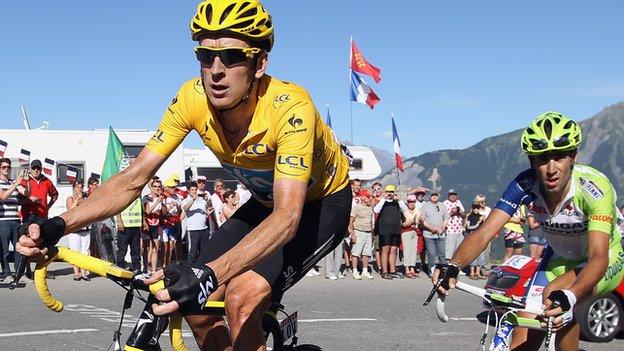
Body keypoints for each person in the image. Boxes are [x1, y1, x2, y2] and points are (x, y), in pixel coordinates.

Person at [17, 2, 352, 349]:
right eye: (206, 57)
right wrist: (58, 225)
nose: (216, 71)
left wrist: (210, 275)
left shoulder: (290, 107)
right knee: (195, 304)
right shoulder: (192, 98)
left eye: (233, 57)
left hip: (319, 205)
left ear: (259, 63)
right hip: (265, 204)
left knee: (240, 299)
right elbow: (133, 179)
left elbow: (287, 216)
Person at [434, 111, 624, 351]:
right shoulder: (524, 184)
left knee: (558, 300)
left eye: (559, 157)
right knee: (523, 335)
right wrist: (453, 265)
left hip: (606, 258)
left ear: (573, 157)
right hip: (558, 257)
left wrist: (572, 296)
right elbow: (485, 232)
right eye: (543, 159)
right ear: (532, 162)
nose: (552, 168)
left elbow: (598, 257)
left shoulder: (594, 188)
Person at [0, 158, 27, 281]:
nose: (6, 169)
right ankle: (7, 273)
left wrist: (28, 181)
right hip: (3, 221)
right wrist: (16, 183)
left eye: (8, 167)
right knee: (5, 249)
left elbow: (26, 192)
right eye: (4, 167)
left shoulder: (13, 181)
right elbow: (3, 197)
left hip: (16, 219)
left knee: (18, 248)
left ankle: (19, 273)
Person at [373, 185, 407, 279]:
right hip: (385, 230)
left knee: (394, 250)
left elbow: (405, 210)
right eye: (388, 192)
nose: (390, 194)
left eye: (392, 192)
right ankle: (384, 271)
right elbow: (376, 210)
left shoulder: (397, 203)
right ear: (385, 192)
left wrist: (399, 200)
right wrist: (384, 199)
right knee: (385, 250)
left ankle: (392, 270)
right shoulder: (382, 202)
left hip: (396, 230)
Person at [66, 181, 91, 281]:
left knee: (85, 252)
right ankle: (77, 273)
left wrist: (82, 199)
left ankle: (84, 273)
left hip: (85, 229)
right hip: (74, 230)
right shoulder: (70, 199)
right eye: (77, 187)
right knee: (75, 251)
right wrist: (77, 200)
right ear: (73, 189)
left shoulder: (85, 199)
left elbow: (89, 209)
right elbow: (70, 211)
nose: (79, 189)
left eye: (81, 187)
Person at [348, 189, 375, 280]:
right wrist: (352, 233)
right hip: (358, 231)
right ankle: (355, 270)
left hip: (368, 232)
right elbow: (351, 220)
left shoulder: (370, 208)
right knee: (356, 252)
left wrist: (372, 233)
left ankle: (365, 270)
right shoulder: (357, 207)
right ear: (362, 197)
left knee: (367, 253)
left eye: (370, 196)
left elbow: (371, 221)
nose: (369, 198)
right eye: (367, 196)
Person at [182, 182, 211, 264]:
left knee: (204, 251)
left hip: (204, 228)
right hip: (193, 230)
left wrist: (207, 213)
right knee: (193, 252)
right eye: (192, 190)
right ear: (188, 191)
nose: (194, 191)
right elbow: (185, 208)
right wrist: (192, 200)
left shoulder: (202, 201)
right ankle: (190, 267)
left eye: (195, 189)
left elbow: (206, 210)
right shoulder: (185, 201)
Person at [421, 192, 449, 275]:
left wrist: (442, 228)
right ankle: (432, 270)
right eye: (433, 195)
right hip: (429, 234)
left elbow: (446, 218)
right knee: (431, 253)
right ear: (430, 197)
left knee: (442, 254)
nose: (434, 197)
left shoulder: (442, 206)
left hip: (441, 234)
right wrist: (432, 228)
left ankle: (443, 270)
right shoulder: (425, 206)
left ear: (438, 196)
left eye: (436, 195)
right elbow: (422, 220)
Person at [115, 196, 143, 273]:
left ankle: (137, 267)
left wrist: (143, 222)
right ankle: (120, 267)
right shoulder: (124, 195)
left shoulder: (138, 196)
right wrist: (119, 221)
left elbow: (141, 210)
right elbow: (118, 209)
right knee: (122, 249)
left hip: (136, 225)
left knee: (136, 249)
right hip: (124, 226)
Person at [142, 178, 165, 274]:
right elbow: (147, 211)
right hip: (147, 224)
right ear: (151, 187)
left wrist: (162, 202)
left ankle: (154, 270)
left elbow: (164, 212)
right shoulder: (147, 197)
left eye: (159, 187)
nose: (157, 188)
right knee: (146, 248)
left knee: (156, 248)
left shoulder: (160, 198)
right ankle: (145, 267)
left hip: (156, 225)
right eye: (155, 186)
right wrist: (157, 202)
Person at [162, 177, 183, 267]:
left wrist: (178, 208)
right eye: (172, 187)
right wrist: (170, 207)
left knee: (172, 246)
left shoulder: (177, 197)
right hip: (165, 224)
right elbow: (163, 213)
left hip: (175, 222)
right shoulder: (163, 197)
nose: (174, 189)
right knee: (165, 247)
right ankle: (164, 264)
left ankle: (169, 265)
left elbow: (180, 211)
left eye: (175, 187)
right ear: (166, 188)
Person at [464, 203, 486, 279]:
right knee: (473, 255)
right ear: (472, 209)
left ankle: (478, 272)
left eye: (477, 208)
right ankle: (472, 272)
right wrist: (478, 222)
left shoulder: (481, 217)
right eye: (475, 208)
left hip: (480, 237)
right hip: (472, 237)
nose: (476, 210)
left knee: (481, 255)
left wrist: (483, 221)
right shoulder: (469, 217)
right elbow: (469, 227)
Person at [401, 194, 422, 278]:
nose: (411, 204)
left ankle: (412, 268)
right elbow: (403, 224)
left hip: (415, 232)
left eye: (413, 202)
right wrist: (412, 221)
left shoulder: (418, 211)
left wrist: (420, 221)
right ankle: (407, 269)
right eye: (410, 202)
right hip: (406, 231)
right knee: (407, 250)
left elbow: (420, 221)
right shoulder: (404, 212)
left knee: (414, 250)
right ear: (407, 203)